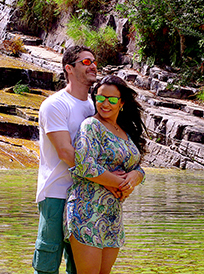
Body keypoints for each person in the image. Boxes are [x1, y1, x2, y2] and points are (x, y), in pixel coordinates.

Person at [64, 74, 146, 274]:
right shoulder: (91, 126)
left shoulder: (125, 132)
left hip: (112, 213)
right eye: (100, 98)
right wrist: (120, 183)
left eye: (111, 99)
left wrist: (136, 177)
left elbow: (138, 167)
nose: (105, 104)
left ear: (122, 103)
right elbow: (85, 165)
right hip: (87, 210)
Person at [34, 45, 99, 274]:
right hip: (57, 193)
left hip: (87, 194)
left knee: (80, 265)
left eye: (94, 61)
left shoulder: (96, 106)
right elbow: (65, 152)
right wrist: (106, 180)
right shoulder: (55, 105)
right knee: (47, 264)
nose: (93, 65)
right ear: (69, 69)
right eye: (86, 62)